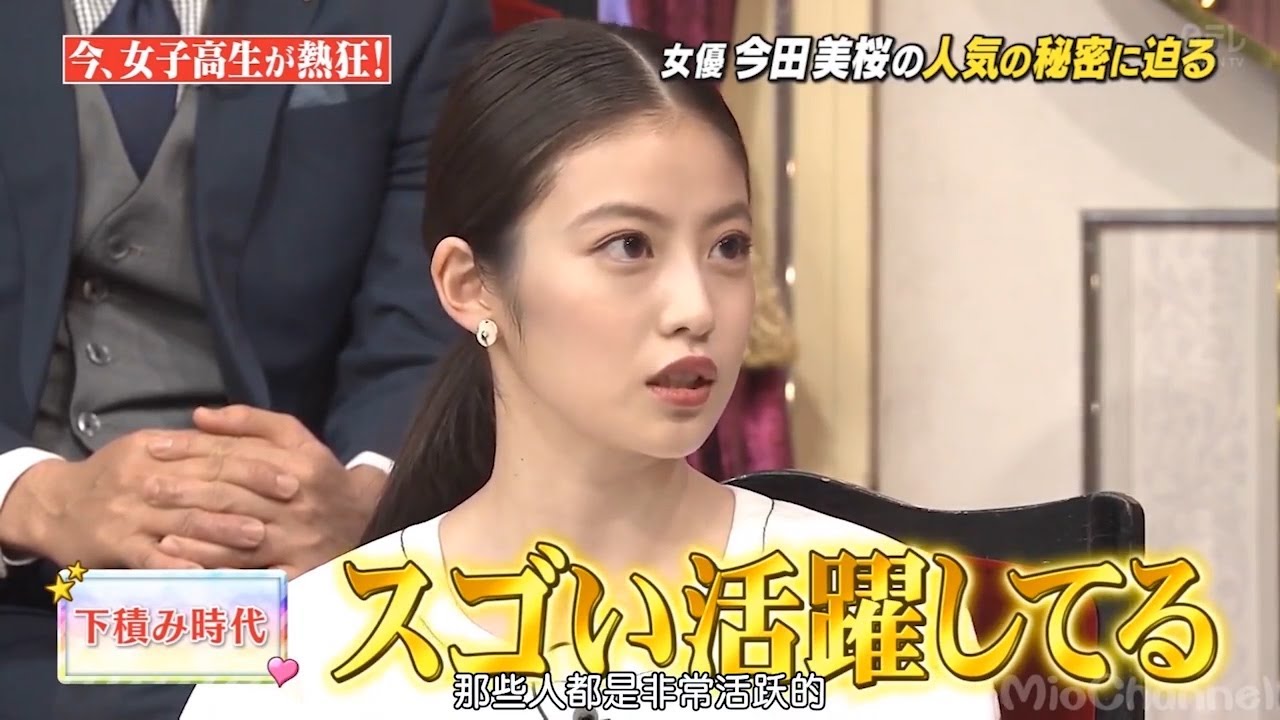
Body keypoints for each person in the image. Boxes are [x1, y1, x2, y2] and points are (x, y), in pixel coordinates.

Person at [180, 18, 1000, 719]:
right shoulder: (305, 656)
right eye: (628, 246)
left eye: (728, 247)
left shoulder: (885, 614)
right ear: (469, 285)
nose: (696, 307)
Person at [0, 1, 492, 718]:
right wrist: (33, 496)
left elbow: (431, 317)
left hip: (287, 580)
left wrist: (366, 505)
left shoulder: (414, 14)